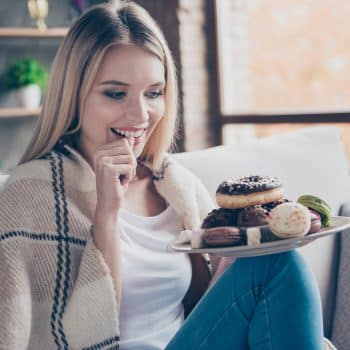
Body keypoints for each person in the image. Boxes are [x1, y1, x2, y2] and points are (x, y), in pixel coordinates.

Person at [0, 2, 334, 349]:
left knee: (278, 259)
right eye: (116, 93)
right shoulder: (32, 194)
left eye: (154, 93)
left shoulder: (175, 185)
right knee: (275, 266)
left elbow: (207, 315)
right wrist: (107, 215)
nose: (140, 114)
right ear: (74, 95)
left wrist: (242, 249)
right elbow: (84, 334)